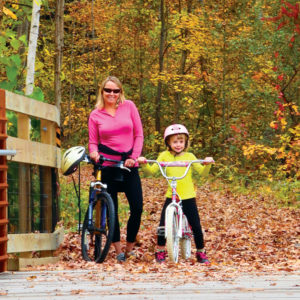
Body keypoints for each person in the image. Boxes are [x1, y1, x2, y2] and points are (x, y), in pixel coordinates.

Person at [138, 124, 214, 264]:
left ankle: (201, 252)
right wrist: (144, 163)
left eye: (181, 141)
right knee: (162, 225)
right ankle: (161, 251)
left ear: (185, 142)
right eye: (174, 142)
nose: (178, 145)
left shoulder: (190, 156)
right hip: (171, 194)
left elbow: (202, 173)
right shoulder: (164, 156)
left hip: (188, 196)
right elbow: (151, 172)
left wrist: (207, 164)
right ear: (168, 142)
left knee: (196, 225)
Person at [88, 76, 144, 262]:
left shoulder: (129, 106)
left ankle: (129, 247)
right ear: (102, 91)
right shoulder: (96, 114)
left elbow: (139, 134)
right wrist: (94, 153)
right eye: (108, 90)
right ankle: (118, 249)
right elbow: (93, 142)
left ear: (121, 92)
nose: (111, 94)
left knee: (137, 206)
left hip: (128, 164)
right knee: (111, 208)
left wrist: (134, 157)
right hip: (107, 164)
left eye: (115, 91)